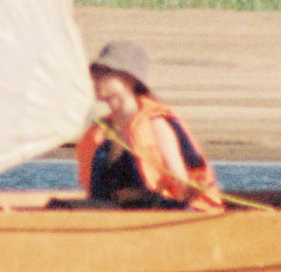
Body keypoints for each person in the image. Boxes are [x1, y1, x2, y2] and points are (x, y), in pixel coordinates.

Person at [76, 39, 224, 210]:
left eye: (104, 73)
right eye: (94, 73)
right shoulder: (104, 131)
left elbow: (181, 186)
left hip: (165, 212)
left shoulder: (156, 123)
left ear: (129, 79)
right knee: (62, 206)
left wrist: (138, 195)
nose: (95, 79)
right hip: (119, 214)